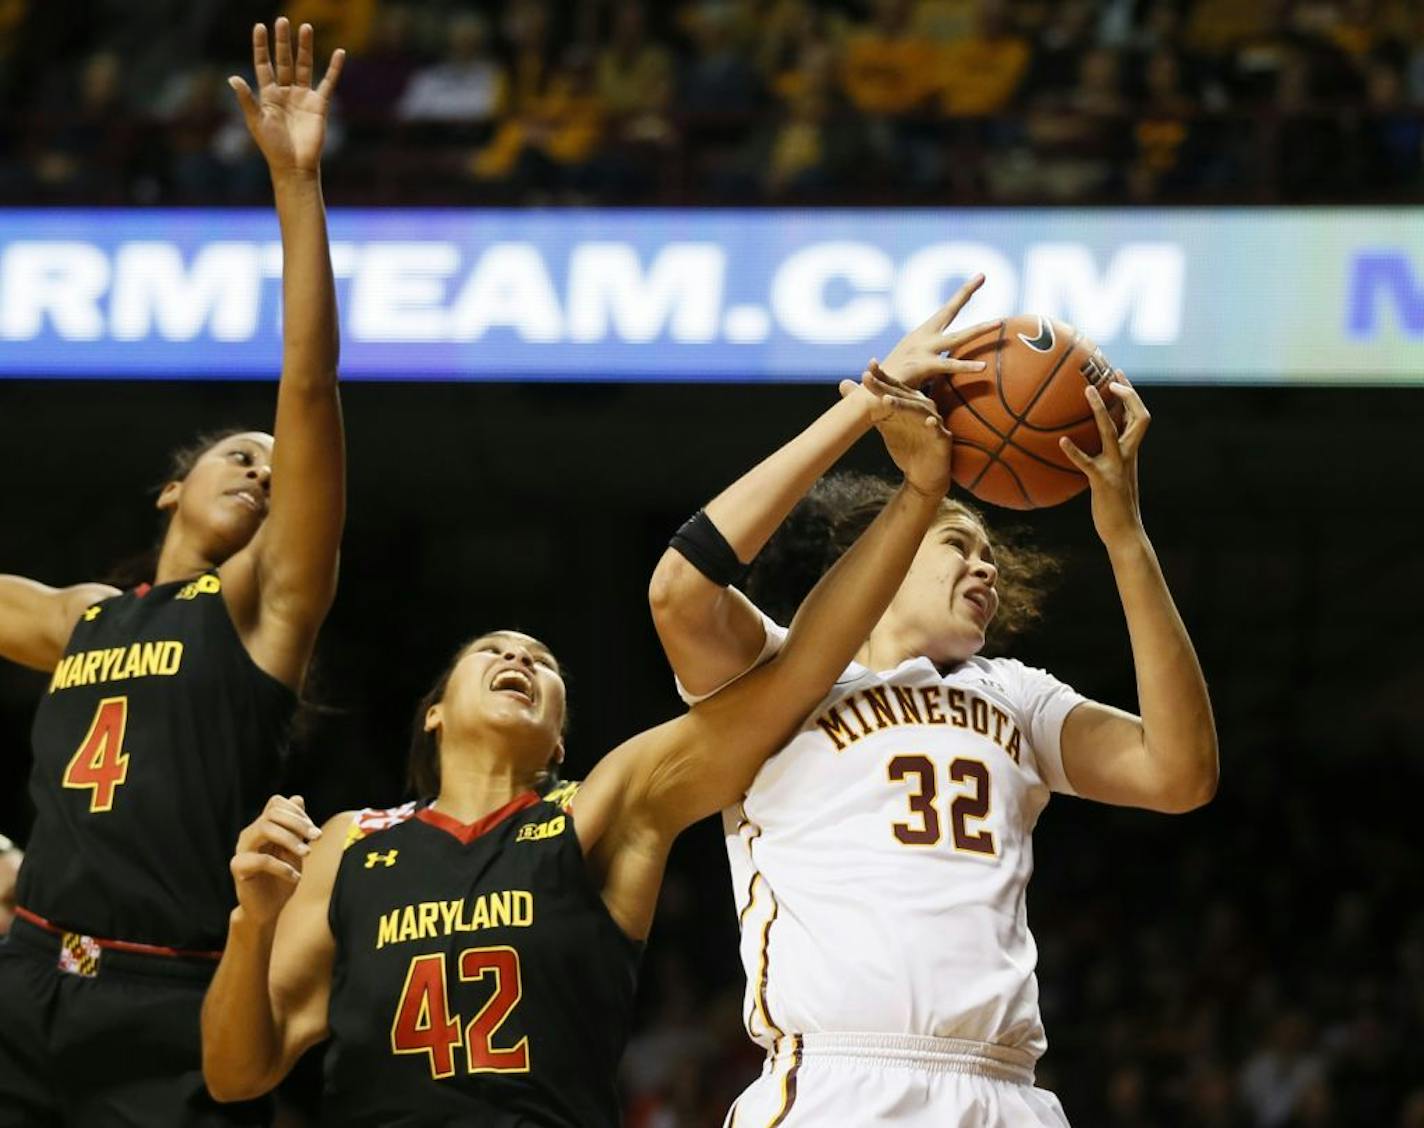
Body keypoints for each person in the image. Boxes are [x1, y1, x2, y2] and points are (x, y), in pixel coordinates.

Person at [199, 365, 956, 1126]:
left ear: (561, 738)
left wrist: (917, 495)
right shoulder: (350, 845)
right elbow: (236, 1074)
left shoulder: (601, 809)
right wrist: (252, 922)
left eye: (542, 661)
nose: (518, 659)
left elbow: (795, 679)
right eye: (493, 649)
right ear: (432, 714)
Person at [647, 274, 1218, 1125]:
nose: (986, 567)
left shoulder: (1018, 697)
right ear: (890, 549)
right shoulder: (775, 682)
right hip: (838, 1080)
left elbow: (1179, 773)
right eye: (960, 541)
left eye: (992, 553)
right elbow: (679, 592)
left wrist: (1124, 534)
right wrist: (867, 409)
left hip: (1007, 1091)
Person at [0, 19, 346, 1126]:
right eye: (234, 453)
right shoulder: (85, 620)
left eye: (276, 466)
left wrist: (295, 183)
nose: (262, 464)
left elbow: (307, 386)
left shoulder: (257, 610)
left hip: (166, 1000)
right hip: (26, 977)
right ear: (170, 492)